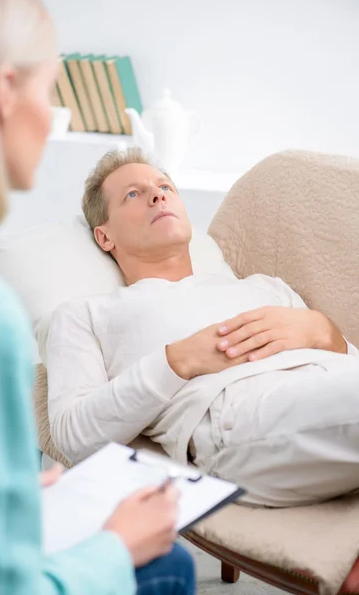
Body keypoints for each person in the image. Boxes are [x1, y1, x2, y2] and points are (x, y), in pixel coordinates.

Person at [0, 0, 196, 594]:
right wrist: (117, 547)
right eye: (51, 90)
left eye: (164, 185)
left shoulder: (258, 287)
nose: (160, 196)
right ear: (5, 92)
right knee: (171, 564)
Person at [47, 147, 359, 509]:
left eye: (165, 186)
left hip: (332, 388)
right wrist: (178, 361)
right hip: (241, 415)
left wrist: (325, 332)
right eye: (133, 194)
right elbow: (73, 435)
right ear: (104, 237)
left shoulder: (266, 286)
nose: (157, 194)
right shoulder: (87, 314)